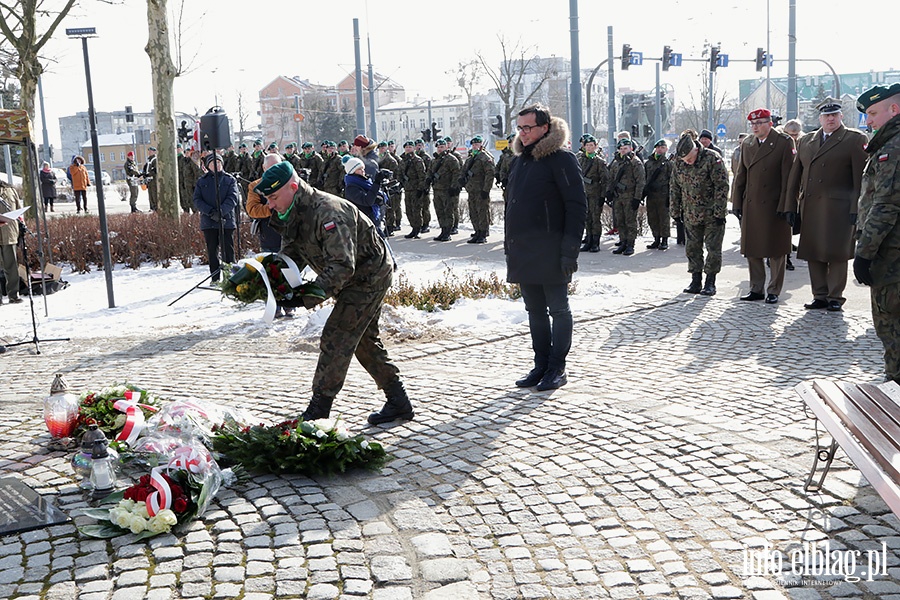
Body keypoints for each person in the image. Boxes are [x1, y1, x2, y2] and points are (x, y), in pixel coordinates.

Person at [256, 161, 415, 425]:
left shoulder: (328, 212)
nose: (270, 205)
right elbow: (292, 255)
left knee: (338, 335)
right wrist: (266, 280)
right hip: (350, 276)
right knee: (363, 340)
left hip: (368, 275)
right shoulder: (293, 211)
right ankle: (398, 402)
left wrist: (305, 296)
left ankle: (319, 411)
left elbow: (342, 266)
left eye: (273, 197)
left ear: (293, 188)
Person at [506, 103, 587, 392]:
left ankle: (557, 368)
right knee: (534, 311)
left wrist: (570, 251)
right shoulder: (518, 160)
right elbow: (512, 207)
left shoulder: (561, 159)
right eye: (519, 128)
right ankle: (540, 365)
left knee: (559, 310)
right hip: (524, 250)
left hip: (552, 251)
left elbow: (577, 207)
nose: (523, 133)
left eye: (528, 128)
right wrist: (509, 247)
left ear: (545, 128)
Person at [783, 98, 867, 312]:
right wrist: (790, 206)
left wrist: (857, 209)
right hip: (811, 206)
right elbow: (795, 175)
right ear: (820, 118)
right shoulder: (807, 141)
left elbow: (860, 179)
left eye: (834, 115)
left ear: (841, 117)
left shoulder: (854, 139)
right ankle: (819, 295)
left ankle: (835, 297)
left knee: (837, 253)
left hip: (840, 208)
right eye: (826, 115)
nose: (830, 119)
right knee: (814, 251)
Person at [853, 83, 900, 383]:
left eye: (872, 113)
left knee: (890, 325)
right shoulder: (887, 143)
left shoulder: (893, 149)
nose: (867, 121)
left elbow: (885, 206)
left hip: (891, 254)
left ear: (894, 109)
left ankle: (895, 388)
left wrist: (864, 254)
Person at [731, 108, 794, 304]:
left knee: (776, 249)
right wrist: (737, 201)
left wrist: (788, 205)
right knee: (752, 248)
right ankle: (756, 288)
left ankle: (774, 289)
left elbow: (789, 178)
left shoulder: (783, 142)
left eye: (759, 123)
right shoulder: (748, 143)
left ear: (770, 123)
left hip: (775, 203)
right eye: (753, 124)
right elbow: (741, 175)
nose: (755, 127)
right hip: (752, 203)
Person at [669, 130, 730, 296]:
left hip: (712, 214)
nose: (687, 163)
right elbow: (674, 187)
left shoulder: (712, 158)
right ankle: (696, 280)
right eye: (684, 160)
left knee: (713, 249)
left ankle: (710, 281)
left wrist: (719, 212)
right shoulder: (679, 163)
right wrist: (675, 211)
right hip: (690, 213)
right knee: (692, 248)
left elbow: (722, 186)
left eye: (689, 159)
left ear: (696, 149)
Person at [245, 153, 294, 319]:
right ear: (264, 168)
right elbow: (252, 210)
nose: (274, 170)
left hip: (289, 233)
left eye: (277, 166)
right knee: (270, 272)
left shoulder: (290, 183)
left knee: (289, 269)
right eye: (270, 167)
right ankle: (274, 306)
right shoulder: (255, 186)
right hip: (269, 234)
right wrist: (272, 207)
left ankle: (289, 303)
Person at [193, 152, 240, 283]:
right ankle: (215, 278)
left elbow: (233, 198)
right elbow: (197, 200)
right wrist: (210, 212)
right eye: (214, 163)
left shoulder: (230, 180)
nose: (217, 165)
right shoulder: (202, 181)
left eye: (219, 162)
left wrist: (221, 211)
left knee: (228, 252)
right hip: (209, 222)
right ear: (208, 166)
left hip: (226, 221)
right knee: (212, 252)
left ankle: (230, 278)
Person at [607, 138, 645, 256]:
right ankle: (623, 242)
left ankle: (630, 244)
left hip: (630, 196)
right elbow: (611, 179)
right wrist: (609, 192)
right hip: (618, 196)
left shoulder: (635, 162)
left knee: (630, 221)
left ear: (631, 149)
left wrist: (637, 198)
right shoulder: (616, 162)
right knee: (620, 221)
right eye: (621, 149)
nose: (623, 151)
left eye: (626, 148)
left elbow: (640, 182)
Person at [342, 156, 389, 235]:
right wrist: (377, 182)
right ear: (352, 171)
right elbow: (367, 201)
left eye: (363, 168)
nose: (363, 171)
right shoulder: (351, 188)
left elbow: (373, 194)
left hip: (372, 221)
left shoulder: (366, 182)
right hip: (363, 226)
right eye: (359, 169)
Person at [461, 135, 494, 244]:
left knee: (482, 212)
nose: (475, 146)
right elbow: (464, 171)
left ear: (481, 145)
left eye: (477, 144)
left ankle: (483, 233)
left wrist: (486, 189)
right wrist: (463, 181)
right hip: (471, 189)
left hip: (481, 189)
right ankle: (477, 231)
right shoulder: (471, 158)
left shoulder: (485, 157)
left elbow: (490, 174)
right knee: (473, 211)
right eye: (473, 144)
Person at [578, 135, 608, 252]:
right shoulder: (580, 160)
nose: (589, 148)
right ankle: (588, 240)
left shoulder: (599, 162)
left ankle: (595, 242)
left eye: (591, 145)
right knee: (587, 218)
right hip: (584, 193)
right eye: (587, 145)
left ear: (595, 147)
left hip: (595, 194)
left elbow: (605, 179)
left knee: (595, 219)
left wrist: (603, 196)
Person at [643, 139, 673, 250]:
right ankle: (656, 238)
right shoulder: (648, 163)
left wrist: (670, 196)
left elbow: (672, 180)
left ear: (666, 149)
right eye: (658, 147)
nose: (660, 150)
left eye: (662, 148)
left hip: (663, 194)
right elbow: (644, 178)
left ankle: (664, 240)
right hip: (651, 195)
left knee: (664, 218)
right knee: (652, 217)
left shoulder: (669, 163)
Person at [0, 180, 23, 305]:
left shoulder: (10, 190)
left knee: (11, 266)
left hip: (9, 233)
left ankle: (13, 295)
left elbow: (19, 211)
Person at [400, 141, 427, 239]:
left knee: (416, 210)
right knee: (409, 210)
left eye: (410, 147)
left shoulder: (417, 160)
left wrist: (421, 188)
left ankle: (418, 229)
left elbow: (422, 175)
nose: (408, 149)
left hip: (415, 188)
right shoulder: (403, 161)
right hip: (407, 189)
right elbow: (400, 174)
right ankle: (413, 228)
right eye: (406, 147)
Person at [142, 146, 158, 212]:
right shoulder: (149, 160)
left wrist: (149, 174)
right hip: (149, 180)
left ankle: (156, 207)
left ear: (154, 152)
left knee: (154, 194)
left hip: (154, 180)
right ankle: (152, 207)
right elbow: (146, 169)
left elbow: (155, 170)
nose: (149, 152)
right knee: (150, 194)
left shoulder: (155, 159)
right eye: (149, 151)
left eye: (151, 151)